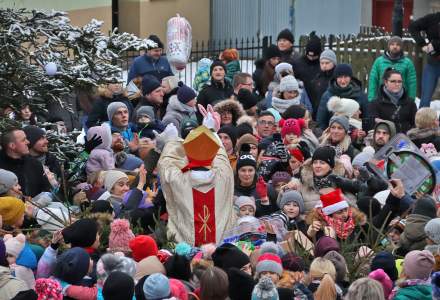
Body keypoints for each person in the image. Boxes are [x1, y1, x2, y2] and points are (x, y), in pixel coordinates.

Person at [157, 106, 235, 246]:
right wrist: (210, 131)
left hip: (186, 252)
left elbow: (166, 163)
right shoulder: (224, 175)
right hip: (221, 251)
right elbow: (221, 155)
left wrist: (172, 141)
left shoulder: (176, 179)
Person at [0, 128, 51, 197]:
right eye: (23, 140)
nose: (28, 142)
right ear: (12, 146)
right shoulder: (2, 169)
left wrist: (40, 201)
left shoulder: (34, 164)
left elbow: (46, 189)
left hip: (37, 206)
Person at [316, 63, 368, 131]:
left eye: (346, 77)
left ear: (350, 77)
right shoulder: (327, 95)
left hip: (355, 135)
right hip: (333, 134)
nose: (343, 81)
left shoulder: (359, 94)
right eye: (340, 77)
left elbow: (366, 118)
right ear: (336, 78)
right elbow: (321, 121)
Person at [368, 36, 417, 102]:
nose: (395, 47)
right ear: (389, 46)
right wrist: (372, 99)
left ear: (401, 47)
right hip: (382, 98)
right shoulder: (379, 61)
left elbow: (412, 82)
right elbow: (373, 80)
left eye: (398, 45)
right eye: (392, 44)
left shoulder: (408, 63)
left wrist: (411, 100)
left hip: (401, 99)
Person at [368, 68, 417, 133]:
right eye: (393, 81)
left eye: (399, 81)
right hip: (386, 140)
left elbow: (416, 124)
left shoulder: (410, 103)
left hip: (407, 140)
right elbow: (372, 127)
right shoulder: (375, 104)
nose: (397, 84)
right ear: (385, 82)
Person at [409, 12, 440, 108]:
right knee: (425, 98)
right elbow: (413, 27)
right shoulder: (432, 18)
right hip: (433, 63)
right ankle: (421, 121)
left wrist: (435, 44)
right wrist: (422, 43)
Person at [292, 33, 322, 100]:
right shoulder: (297, 64)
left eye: (314, 56)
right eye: (309, 56)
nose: (311, 58)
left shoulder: (323, 64)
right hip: (302, 98)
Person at [309, 49, 337, 118]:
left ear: (333, 63)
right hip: (317, 113)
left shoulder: (337, 78)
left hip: (333, 114)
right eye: (322, 63)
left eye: (327, 63)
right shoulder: (317, 78)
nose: (324, 65)